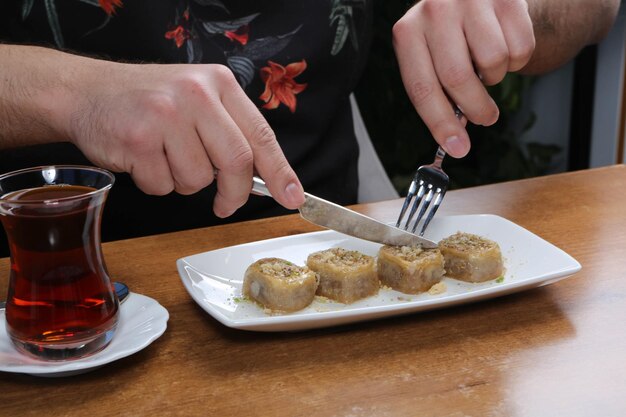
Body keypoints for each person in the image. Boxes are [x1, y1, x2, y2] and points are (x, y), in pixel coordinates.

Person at [0, 0, 620, 254]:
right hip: (47, 277)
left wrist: (517, 8)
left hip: (330, 269)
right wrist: (73, 94)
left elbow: (596, 11)